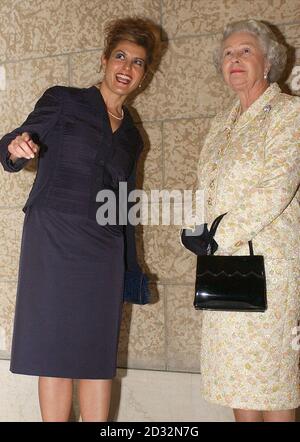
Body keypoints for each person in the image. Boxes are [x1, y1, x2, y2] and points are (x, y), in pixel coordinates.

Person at [0, 17, 159, 422]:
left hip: (103, 248)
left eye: (137, 62)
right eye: (120, 56)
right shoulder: (64, 99)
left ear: (144, 75)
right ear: (105, 60)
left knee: (95, 350)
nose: (126, 67)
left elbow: (124, 203)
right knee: (54, 350)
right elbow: (18, 140)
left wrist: (129, 266)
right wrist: (17, 149)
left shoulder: (132, 136)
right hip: (53, 237)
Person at [182, 19, 300, 422]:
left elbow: (276, 188)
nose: (235, 58)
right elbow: (206, 186)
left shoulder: (288, 113)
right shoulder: (221, 124)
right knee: (238, 383)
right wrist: (193, 227)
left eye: (246, 50)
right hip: (225, 270)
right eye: (229, 53)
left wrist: (218, 236)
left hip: (271, 271)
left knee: (274, 385)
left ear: (268, 62)